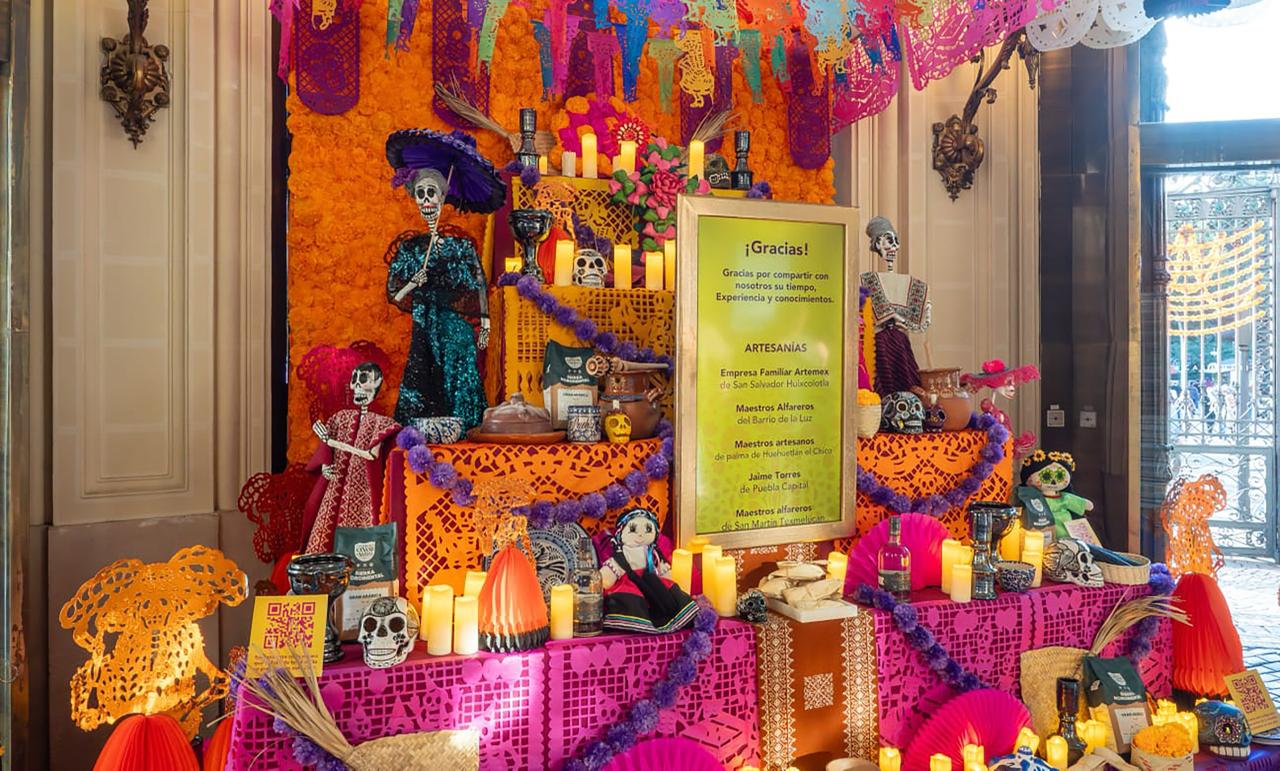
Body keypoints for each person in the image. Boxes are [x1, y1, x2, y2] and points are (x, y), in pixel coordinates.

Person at [600, 508, 699, 634]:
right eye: (633, 530)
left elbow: (662, 570)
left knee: (669, 595)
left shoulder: (653, 553)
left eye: (648, 530)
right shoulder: (623, 553)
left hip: (653, 582)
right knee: (632, 600)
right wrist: (603, 581)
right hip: (631, 582)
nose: (641, 535)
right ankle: (636, 623)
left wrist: (670, 579)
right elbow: (611, 571)